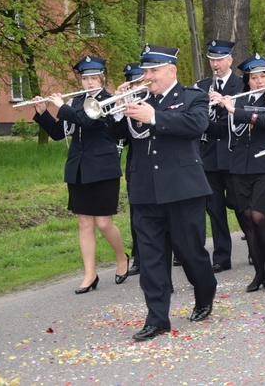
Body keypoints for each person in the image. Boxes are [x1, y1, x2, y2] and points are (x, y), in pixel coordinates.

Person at [114, 44, 217, 341]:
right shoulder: (139, 99)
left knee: (190, 253)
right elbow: (112, 133)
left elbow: (197, 125)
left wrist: (155, 118)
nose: (148, 76)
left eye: (154, 71)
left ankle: (204, 292)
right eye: (145, 71)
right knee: (150, 258)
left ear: (171, 71)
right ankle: (157, 318)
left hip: (183, 189)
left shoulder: (192, 96)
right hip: (145, 190)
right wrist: (120, 108)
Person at [32, 56, 129, 294]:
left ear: (102, 78)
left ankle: (122, 259)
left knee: (104, 223)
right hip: (78, 169)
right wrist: (43, 112)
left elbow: (89, 121)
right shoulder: (76, 102)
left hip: (104, 168)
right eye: (84, 79)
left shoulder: (109, 101)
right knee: (84, 222)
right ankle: (90, 274)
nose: (88, 83)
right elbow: (58, 133)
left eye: (93, 78)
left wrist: (61, 107)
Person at [221, 54, 265, 292]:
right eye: (254, 77)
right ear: (248, 80)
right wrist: (222, 104)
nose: (259, 81)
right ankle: (258, 271)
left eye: (262, 76)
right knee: (246, 218)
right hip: (240, 165)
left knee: (258, 216)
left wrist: (235, 111)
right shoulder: (240, 98)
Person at [194, 39, 243, 273]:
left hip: (232, 154)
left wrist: (222, 105)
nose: (216, 64)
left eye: (220, 59)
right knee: (214, 208)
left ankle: (255, 247)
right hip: (209, 156)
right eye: (212, 59)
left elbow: (234, 121)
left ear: (230, 60)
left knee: (239, 204)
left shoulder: (241, 85)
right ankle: (222, 256)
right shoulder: (202, 86)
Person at [122, 62, 145, 276]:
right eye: (130, 82)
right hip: (135, 166)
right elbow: (118, 135)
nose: (133, 86)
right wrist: (120, 109)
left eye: (137, 81)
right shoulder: (125, 105)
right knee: (136, 215)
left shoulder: (152, 102)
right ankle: (138, 257)